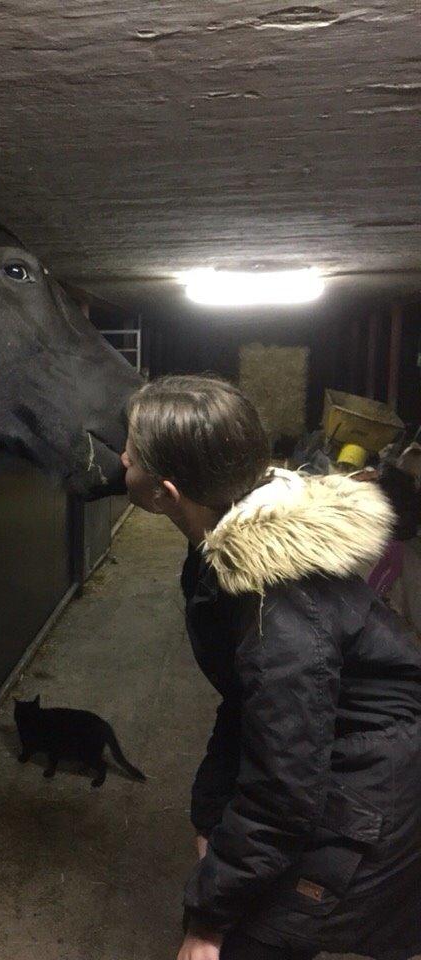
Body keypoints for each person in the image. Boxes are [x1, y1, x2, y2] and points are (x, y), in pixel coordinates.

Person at [121, 375, 421, 960]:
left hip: (373, 778)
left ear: (165, 491)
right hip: (329, 745)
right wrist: (212, 808)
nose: (121, 456)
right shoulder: (226, 531)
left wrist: (207, 918)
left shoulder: (280, 612)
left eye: (131, 447)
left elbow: (283, 788)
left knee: (249, 942)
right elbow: (249, 702)